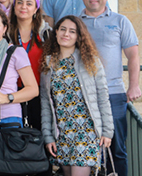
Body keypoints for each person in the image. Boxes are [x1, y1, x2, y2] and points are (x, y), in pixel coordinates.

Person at [80, 0, 140, 176]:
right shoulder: (75, 23)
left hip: (114, 94)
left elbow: (132, 55)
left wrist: (133, 86)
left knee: (117, 149)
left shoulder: (120, 21)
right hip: (83, 96)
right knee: (87, 149)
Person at [40, 15, 114, 176]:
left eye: (72, 31)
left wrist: (108, 131)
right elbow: (46, 104)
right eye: (63, 29)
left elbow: (103, 97)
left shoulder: (91, 61)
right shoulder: (48, 64)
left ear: (79, 36)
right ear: (56, 32)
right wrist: (48, 136)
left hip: (86, 132)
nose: (66, 34)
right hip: (62, 133)